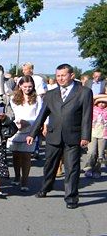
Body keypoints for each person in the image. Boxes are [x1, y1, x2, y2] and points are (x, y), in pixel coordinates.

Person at [28, 63, 93, 209]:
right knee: (49, 166)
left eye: (63, 75)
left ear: (72, 75)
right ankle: (46, 187)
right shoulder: (51, 94)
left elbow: (87, 116)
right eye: (58, 76)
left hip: (73, 136)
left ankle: (71, 197)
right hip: (53, 135)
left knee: (72, 168)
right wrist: (32, 133)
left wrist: (85, 136)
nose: (60, 78)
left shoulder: (84, 92)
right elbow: (42, 115)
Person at [8, 76, 43, 191]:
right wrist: (17, 123)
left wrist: (29, 123)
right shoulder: (13, 98)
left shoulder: (37, 99)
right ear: (20, 86)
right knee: (16, 155)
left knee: (26, 156)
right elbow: (12, 113)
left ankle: (25, 181)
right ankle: (17, 176)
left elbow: (39, 115)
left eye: (30, 86)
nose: (27, 89)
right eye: (25, 86)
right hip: (16, 129)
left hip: (30, 129)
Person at [83, 94, 107, 178]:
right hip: (92, 133)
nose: (101, 104)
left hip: (103, 134)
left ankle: (97, 170)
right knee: (92, 152)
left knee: (101, 154)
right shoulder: (92, 110)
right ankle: (88, 168)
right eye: (99, 102)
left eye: (104, 102)